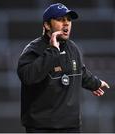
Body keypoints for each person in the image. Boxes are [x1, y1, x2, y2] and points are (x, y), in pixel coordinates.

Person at [17, 3, 110, 133]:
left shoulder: (73, 48)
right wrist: (52, 51)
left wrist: (95, 83)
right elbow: (28, 77)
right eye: (60, 20)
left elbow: (79, 71)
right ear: (47, 25)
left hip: (71, 126)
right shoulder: (33, 50)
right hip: (41, 127)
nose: (66, 23)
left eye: (68, 20)